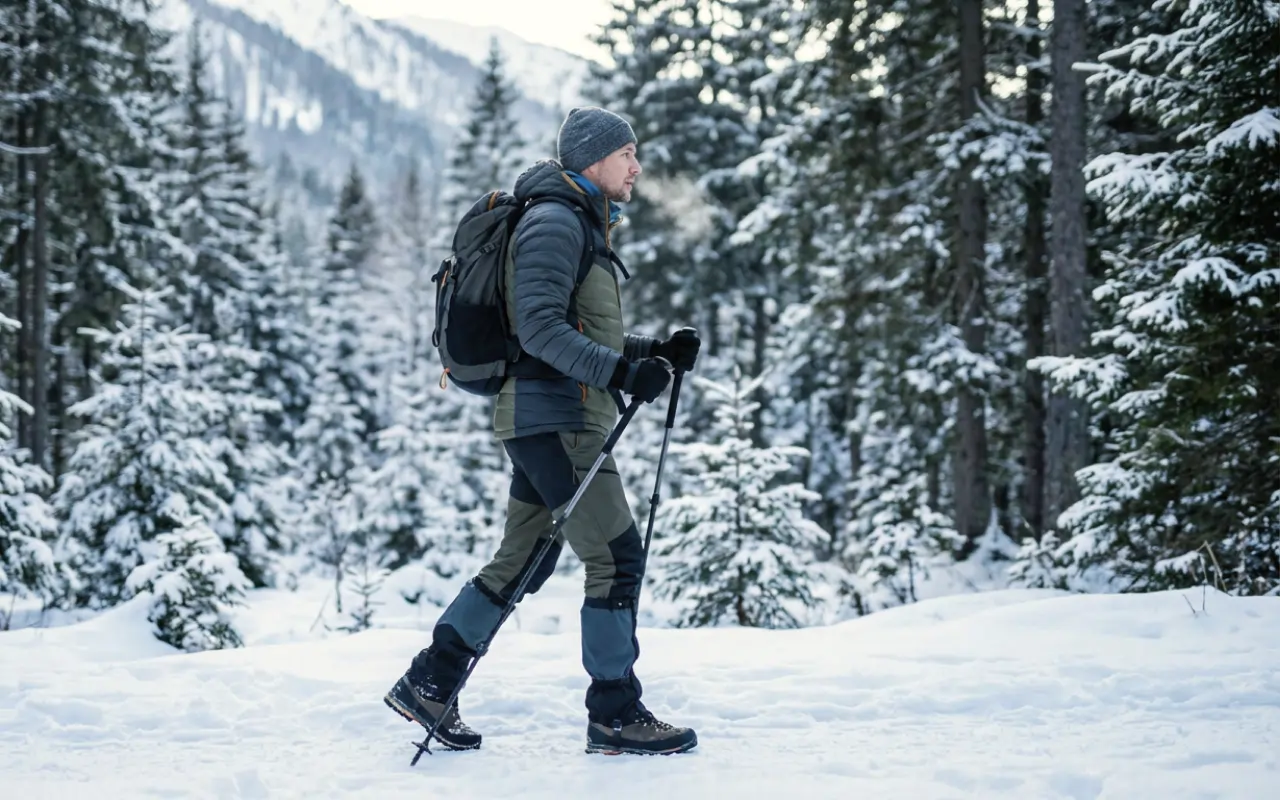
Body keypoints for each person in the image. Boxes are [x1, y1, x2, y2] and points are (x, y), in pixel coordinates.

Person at [384, 107, 702, 756]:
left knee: (525, 559)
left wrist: (652, 353)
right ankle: (615, 713)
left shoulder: (575, 220)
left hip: (545, 415)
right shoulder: (556, 221)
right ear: (593, 159)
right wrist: (621, 371)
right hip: (559, 418)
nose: (637, 168)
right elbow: (539, 331)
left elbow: (576, 331)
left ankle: (430, 682)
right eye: (626, 154)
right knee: (615, 557)